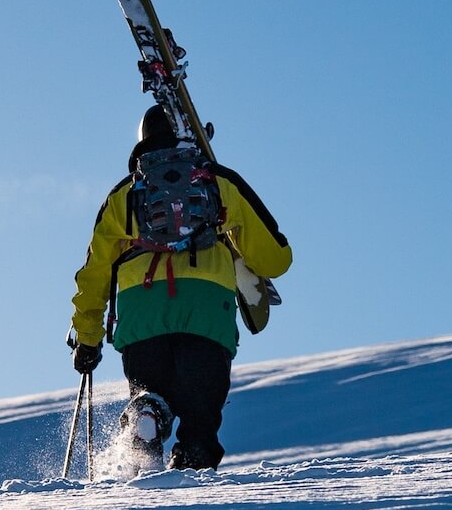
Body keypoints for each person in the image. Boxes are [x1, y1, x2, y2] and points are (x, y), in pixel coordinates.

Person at [68, 106, 293, 470]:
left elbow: (94, 275)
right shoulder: (219, 183)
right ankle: (191, 489)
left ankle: (148, 414)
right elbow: (277, 260)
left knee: (151, 395)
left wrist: (88, 339)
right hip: (207, 314)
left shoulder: (123, 196)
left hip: (142, 316)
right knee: (200, 424)